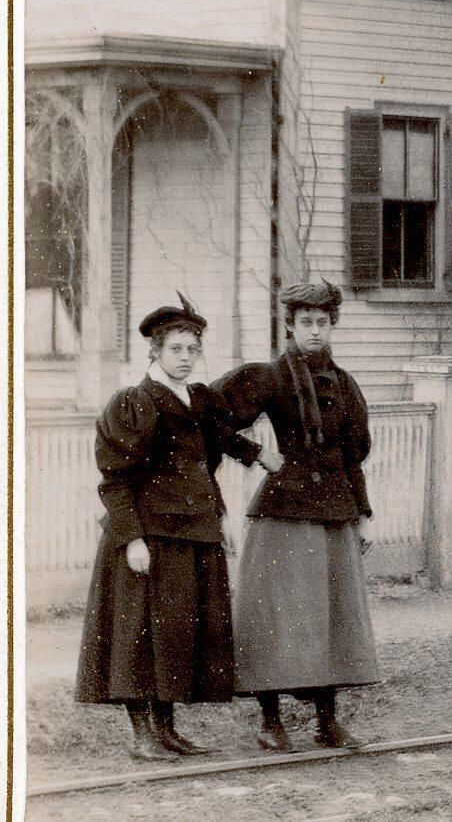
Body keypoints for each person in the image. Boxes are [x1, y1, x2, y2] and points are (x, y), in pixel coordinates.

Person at [75, 296, 284, 760]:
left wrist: (254, 460)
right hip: (150, 537)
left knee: (175, 634)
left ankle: (167, 730)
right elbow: (116, 480)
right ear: (155, 351)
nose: (186, 357)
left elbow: (217, 443)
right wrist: (132, 539)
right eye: (176, 349)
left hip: (194, 533)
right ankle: (142, 735)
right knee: (140, 635)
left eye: (193, 349)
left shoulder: (199, 400)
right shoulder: (133, 403)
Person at [214, 281, 381, 752]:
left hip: (334, 515)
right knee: (275, 616)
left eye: (322, 322)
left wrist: (363, 513)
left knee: (331, 616)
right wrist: (254, 453)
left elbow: (351, 457)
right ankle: (270, 722)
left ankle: (327, 721)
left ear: (332, 326)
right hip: (282, 514)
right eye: (305, 322)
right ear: (289, 326)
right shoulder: (270, 378)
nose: (314, 331)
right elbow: (211, 419)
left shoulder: (345, 385)